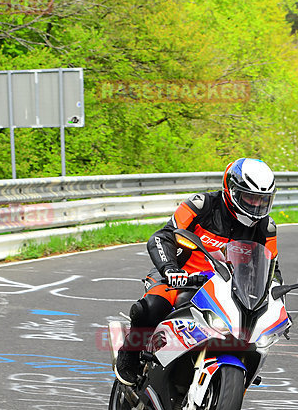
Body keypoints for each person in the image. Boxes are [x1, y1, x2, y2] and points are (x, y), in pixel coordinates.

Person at [114, 158, 282, 385]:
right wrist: (170, 269)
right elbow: (163, 237)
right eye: (249, 197)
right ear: (231, 190)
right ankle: (129, 355)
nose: (255, 205)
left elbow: (272, 268)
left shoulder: (266, 228)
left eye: (262, 200)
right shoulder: (201, 205)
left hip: (229, 290)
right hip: (181, 278)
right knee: (151, 308)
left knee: (252, 333)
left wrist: (275, 294)